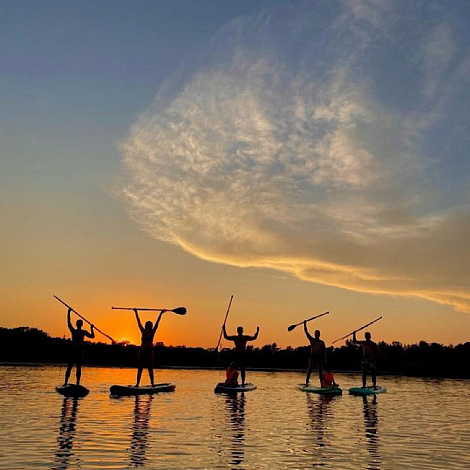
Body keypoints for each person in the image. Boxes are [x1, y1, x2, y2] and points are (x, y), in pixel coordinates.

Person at [134, 308, 166, 387]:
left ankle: (152, 384)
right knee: (140, 368)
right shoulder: (143, 331)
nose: (149, 325)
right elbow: (138, 322)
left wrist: (161, 314)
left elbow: (157, 323)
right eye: (147, 324)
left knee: (150, 368)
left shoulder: (153, 331)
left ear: (151, 326)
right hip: (142, 351)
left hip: (149, 351)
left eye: (150, 325)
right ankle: (137, 384)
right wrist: (136, 312)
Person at [63, 308, 95, 386]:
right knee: (72, 367)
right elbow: (68, 322)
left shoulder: (81, 332)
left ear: (78, 324)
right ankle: (68, 383)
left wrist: (91, 328)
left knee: (76, 367)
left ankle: (74, 383)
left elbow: (92, 336)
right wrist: (69, 312)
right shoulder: (76, 331)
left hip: (79, 351)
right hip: (74, 351)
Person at [304, 322, 326, 386]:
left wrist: (325, 359)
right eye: (316, 334)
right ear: (314, 334)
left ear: (319, 335)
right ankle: (307, 382)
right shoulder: (312, 340)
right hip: (312, 356)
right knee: (310, 369)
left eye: (318, 334)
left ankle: (322, 383)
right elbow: (306, 332)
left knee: (320, 371)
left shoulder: (321, 342)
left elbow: (324, 351)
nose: (317, 335)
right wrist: (305, 324)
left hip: (319, 357)